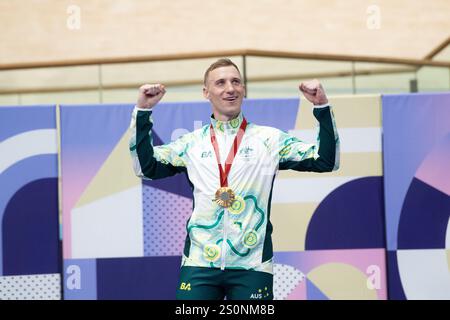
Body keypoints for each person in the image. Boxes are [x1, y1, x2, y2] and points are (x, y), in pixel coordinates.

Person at [129, 58, 340, 300]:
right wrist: (143, 112)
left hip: (252, 266)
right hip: (199, 264)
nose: (230, 88)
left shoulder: (269, 140)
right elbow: (146, 167)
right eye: (220, 83)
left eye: (236, 82)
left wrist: (322, 107)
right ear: (206, 92)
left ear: (243, 89)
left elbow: (326, 160)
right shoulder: (190, 144)